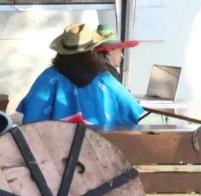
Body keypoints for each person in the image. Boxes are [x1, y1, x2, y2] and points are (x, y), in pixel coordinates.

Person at [16, 23, 145, 127]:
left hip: (52, 148)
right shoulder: (104, 79)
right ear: (92, 51)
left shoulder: (48, 77)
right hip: (98, 146)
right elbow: (132, 110)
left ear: (61, 51)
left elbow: (30, 113)